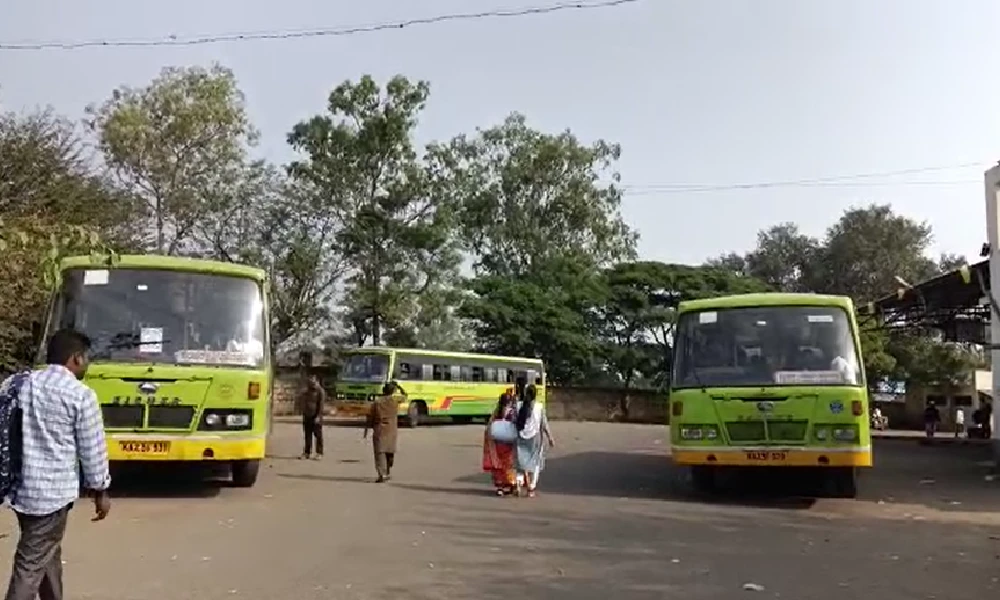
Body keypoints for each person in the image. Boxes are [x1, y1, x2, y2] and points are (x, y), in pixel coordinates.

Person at [4, 328, 111, 600]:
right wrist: (100, 491)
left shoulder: (16, 383)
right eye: (86, 358)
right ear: (75, 358)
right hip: (51, 496)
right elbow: (92, 449)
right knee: (29, 564)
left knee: (46, 551)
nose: (87, 364)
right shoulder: (80, 395)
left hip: (18, 489)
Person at [514, 384, 555, 498]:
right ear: (535, 394)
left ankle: (518, 483)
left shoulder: (518, 406)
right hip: (535, 439)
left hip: (521, 437)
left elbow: (514, 421)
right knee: (535, 463)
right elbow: (544, 424)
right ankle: (531, 487)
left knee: (521, 463)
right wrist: (550, 437)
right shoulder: (539, 407)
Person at [364, 382, 403, 483]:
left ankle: (382, 473)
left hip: (380, 429)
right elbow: (405, 396)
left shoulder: (377, 403)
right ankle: (387, 470)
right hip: (392, 429)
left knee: (380, 452)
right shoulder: (395, 401)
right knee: (389, 451)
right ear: (393, 391)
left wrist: (368, 428)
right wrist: (400, 387)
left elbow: (371, 417)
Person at [482, 392, 517, 496]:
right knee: (508, 465)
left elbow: (489, 427)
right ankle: (511, 484)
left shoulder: (496, 412)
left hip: (497, 444)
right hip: (508, 444)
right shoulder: (512, 413)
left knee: (497, 466)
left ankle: (500, 487)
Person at [297, 374, 326, 460]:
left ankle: (319, 452)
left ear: (317, 381)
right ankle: (307, 452)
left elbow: (321, 405)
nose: (311, 383)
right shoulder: (306, 391)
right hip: (307, 415)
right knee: (307, 435)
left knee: (318, 435)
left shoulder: (320, 391)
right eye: (310, 381)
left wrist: (318, 416)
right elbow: (302, 400)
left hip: (316, 416)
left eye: (313, 381)